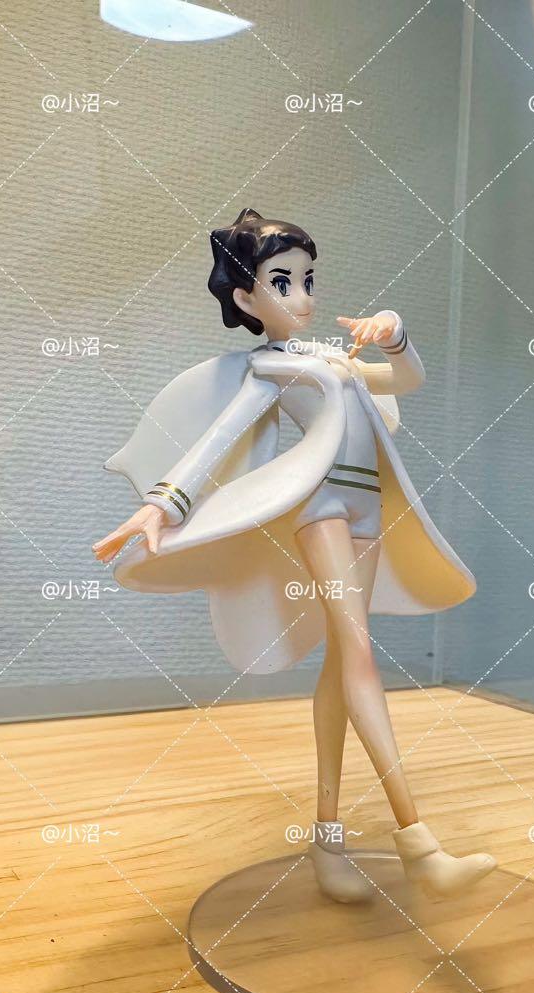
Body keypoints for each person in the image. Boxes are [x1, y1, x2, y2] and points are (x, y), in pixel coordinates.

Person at [93, 208, 495, 901]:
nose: (302, 297)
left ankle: (327, 843)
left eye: (307, 279)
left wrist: (395, 335)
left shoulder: (332, 360)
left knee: (342, 663)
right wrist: (164, 503)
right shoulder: (271, 369)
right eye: (282, 282)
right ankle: (419, 844)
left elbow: (406, 382)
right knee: (359, 654)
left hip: (369, 507)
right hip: (322, 508)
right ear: (247, 300)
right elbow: (216, 442)